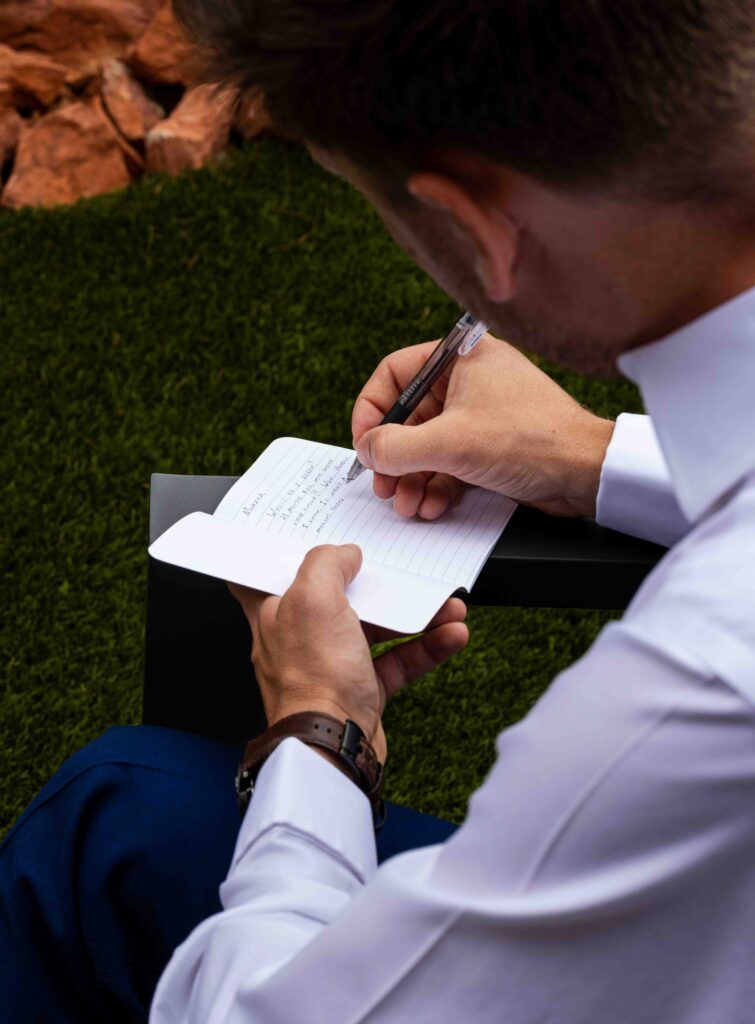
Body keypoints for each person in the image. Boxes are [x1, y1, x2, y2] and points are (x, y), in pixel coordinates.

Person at [2, 1, 755, 1021]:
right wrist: (583, 456)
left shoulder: (681, 709)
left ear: (481, 230)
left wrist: (322, 727)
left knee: (102, 829)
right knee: (125, 801)